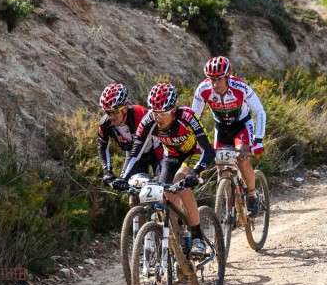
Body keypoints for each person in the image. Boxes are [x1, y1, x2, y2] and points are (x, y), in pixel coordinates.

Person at [112, 82, 216, 259]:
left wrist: (196, 173)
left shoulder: (188, 116)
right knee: (164, 195)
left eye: (162, 114)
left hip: (193, 153)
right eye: (154, 112)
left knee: (180, 181)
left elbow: (208, 149)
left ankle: (197, 237)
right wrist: (123, 177)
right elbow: (136, 150)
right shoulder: (149, 120)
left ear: (173, 109)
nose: (157, 118)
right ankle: (179, 239)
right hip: (171, 156)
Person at [192, 56, 266, 217]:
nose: (215, 84)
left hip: (242, 126)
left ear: (227, 77)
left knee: (241, 158)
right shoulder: (203, 89)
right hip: (221, 128)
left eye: (218, 79)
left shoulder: (240, 87)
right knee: (222, 167)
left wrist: (258, 140)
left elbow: (259, 111)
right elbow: (193, 118)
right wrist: (194, 142)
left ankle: (252, 195)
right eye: (211, 79)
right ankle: (229, 205)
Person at [98, 83, 163, 189]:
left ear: (125, 107)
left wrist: (124, 178)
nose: (111, 116)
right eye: (108, 112)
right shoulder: (105, 124)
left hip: (156, 149)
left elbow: (139, 148)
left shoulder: (139, 115)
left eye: (115, 112)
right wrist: (108, 172)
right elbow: (102, 147)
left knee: (164, 187)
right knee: (130, 190)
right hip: (132, 153)